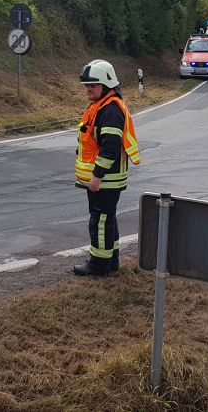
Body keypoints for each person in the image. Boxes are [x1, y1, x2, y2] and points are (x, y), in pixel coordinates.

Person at [73, 60, 140, 276]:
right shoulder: (103, 106)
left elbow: (110, 147)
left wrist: (97, 176)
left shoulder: (110, 110)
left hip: (105, 180)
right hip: (106, 179)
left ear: (106, 84)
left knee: (100, 221)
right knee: (107, 218)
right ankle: (111, 262)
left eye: (93, 85)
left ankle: (99, 265)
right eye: (86, 85)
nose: (88, 89)